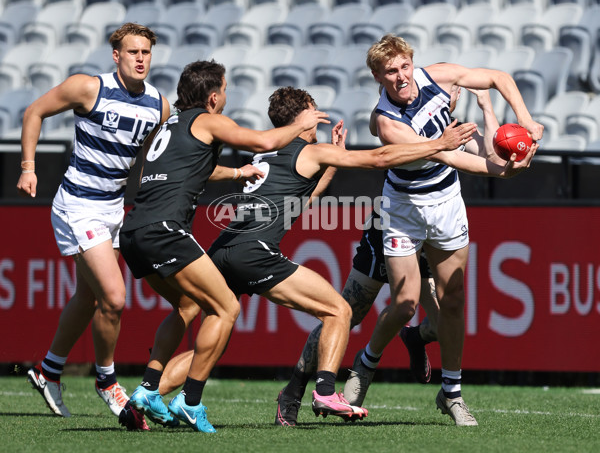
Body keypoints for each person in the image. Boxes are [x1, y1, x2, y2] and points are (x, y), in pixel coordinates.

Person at [145, 84, 532, 428]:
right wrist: (438, 143)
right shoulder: (312, 147)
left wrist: (332, 158)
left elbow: (297, 201)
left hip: (225, 248)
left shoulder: (271, 155)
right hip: (308, 241)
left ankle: (145, 394)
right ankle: (325, 388)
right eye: (313, 112)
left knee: (209, 341)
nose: (319, 118)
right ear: (302, 119)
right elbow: (379, 158)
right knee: (342, 310)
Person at [273, 85, 507, 427]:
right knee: (348, 312)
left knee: (446, 320)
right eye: (449, 86)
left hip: (433, 229)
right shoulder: (396, 117)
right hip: (392, 223)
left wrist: (487, 109)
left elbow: (489, 158)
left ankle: (415, 341)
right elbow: (375, 121)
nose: (452, 90)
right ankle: (301, 389)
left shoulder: (449, 121)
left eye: (457, 87)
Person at [117, 61, 330, 434]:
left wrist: (236, 173)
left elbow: (192, 169)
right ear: (213, 97)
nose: (227, 97)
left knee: (187, 305)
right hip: (164, 230)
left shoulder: (171, 124)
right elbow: (265, 141)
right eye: (226, 90)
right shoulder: (209, 120)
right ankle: (190, 402)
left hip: (132, 231)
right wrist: (301, 125)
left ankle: (149, 389)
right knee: (226, 307)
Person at [342, 34, 542, 427]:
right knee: (405, 304)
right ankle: (365, 365)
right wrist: (497, 169)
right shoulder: (387, 121)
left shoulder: (436, 76)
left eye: (403, 67)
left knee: (452, 301)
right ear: (377, 78)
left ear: (411, 63)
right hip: (403, 210)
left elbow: (499, 77)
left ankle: (451, 393)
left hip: (447, 204)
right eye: (390, 72)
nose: (400, 77)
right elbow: (447, 153)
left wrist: (526, 117)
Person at [17, 23, 170, 419]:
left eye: (146, 52)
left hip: (114, 209)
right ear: (116, 55)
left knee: (88, 297)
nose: (140, 58)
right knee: (115, 299)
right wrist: (28, 167)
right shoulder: (89, 87)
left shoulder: (158, 104)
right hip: (78, 205)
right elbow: (34, 112)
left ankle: (48, 370)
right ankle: (107, 380)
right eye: (132, 52)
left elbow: (153, 162)